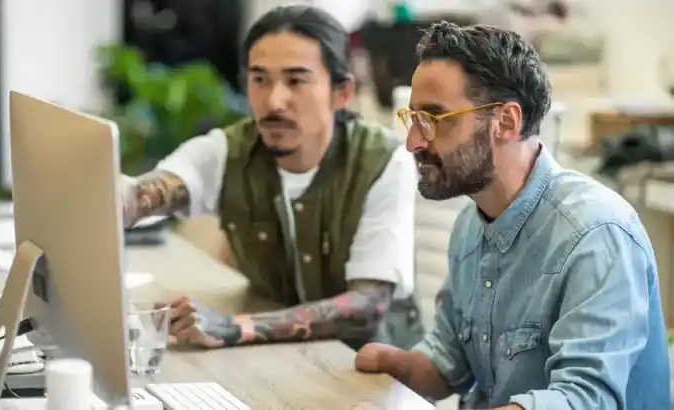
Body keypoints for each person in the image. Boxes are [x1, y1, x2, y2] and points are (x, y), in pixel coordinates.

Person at [354, 22, 670, 410]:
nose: (414, 141)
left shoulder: (595, 233)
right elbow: (449, 361)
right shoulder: (471, 226)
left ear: (506, 122)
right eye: (413, 119)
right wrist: (390, 363)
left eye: (434, 119)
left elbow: (585, 399)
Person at [121, 5, 424, 351]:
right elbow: (146, 192)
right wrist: (119, 197)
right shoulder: (229, 151)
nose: (273, 101)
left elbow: (367, 307)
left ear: (341, 93)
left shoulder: (384, 161)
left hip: (374, 368)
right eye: (259, 79)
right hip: (278, 356)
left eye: (296, 81)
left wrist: (233, 328)